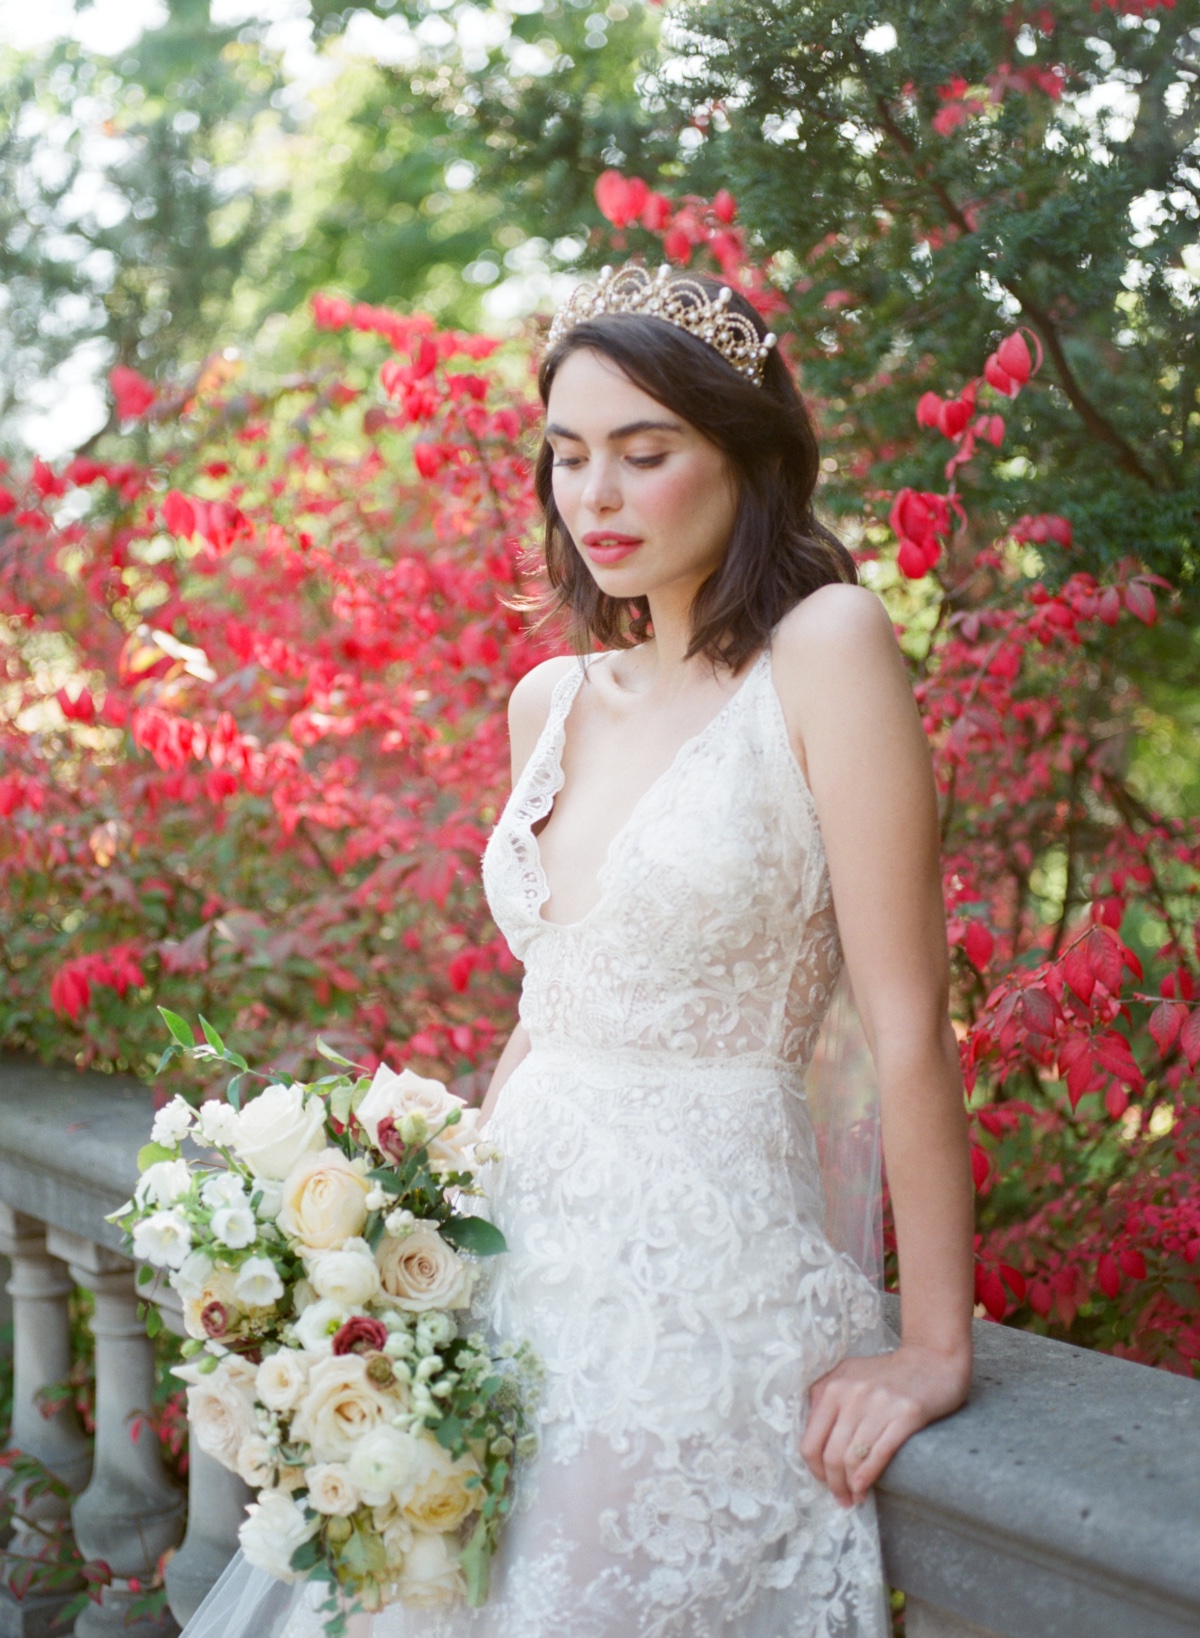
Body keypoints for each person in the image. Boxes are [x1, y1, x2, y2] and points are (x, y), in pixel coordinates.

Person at [184, 264, 974, 1638]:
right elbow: (553, 1009)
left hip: (694, 1291)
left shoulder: (826, 649)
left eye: (644, 452)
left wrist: (930, 1347)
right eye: (567, 456)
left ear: (745, 454)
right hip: (503, 1266)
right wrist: (405, 1250)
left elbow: (908, 1023)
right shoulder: (546, 699)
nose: (595, 494)